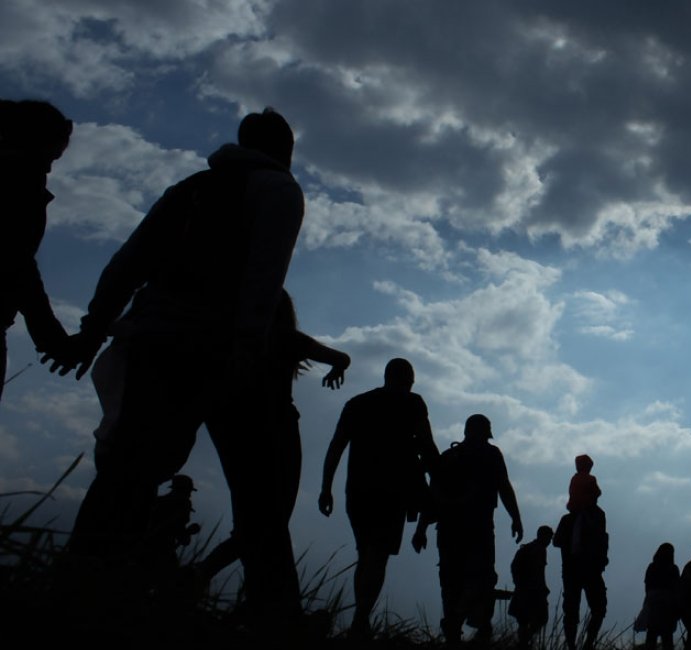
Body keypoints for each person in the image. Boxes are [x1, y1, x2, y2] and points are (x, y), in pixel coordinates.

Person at [52, 108, 304, 630]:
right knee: (259, 494)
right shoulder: (278, 189)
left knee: (129, 472)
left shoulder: (190, 188)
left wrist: (94, 329)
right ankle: (274, 618)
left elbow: (129, 262)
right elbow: (264, 275)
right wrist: (246, 347)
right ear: (286, 149)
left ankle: (78, 592)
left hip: (154, 340)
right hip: (220, 351)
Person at [196, 290, 348, 582]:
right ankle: (203, 575)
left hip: (235, 430)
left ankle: (203, 575)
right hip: (279, 430)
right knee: (274, 519)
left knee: (249, 518)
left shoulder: (233, 337)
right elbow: (342, 357)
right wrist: (336, 369)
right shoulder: (287, 338)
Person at [320, 357, 439, 638]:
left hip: (357, 490)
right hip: (392, 492)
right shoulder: (413, 403)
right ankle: (361, 619)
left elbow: (336, 446)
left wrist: (326, 487)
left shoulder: (357, 404)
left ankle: (360, 619)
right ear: (409, 381)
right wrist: (439, 480)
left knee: (367, 553)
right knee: (377, 556)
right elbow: (427, 444)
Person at [412, 413, 524, 644]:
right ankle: (471, 626)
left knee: (451, 580)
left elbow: (433, 496)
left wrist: (421, 530)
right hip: (478, 529)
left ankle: (456, 627)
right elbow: (503, 486)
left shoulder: (449, 456)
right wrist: (515, 518)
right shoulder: (491, 454)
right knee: (479, 579)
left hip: (450, 529)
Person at [1, 99, 73, 403]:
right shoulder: (18, 181)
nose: (49, 167)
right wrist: (51, 338)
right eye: (51, 156)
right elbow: (16, 263)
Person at [553, 502, 608, 650]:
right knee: (575, 610)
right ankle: (578, 645)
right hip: (578, 571)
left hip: (585, 571)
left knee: (595, 608)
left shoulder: (596, 517)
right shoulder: (571, 519)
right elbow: (557, 541)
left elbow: (602, 542)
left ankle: (585, 644)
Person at [509, 525, 555, 647]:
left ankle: (523, 643)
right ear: (542, 536)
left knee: (525, 621)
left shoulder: (531, 548)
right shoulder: (537, 549)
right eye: (548, 538)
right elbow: (536, 572)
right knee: (538, 618)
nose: (549, 542)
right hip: (531, 591)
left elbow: (515, 567)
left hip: (526, 590)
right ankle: (523, 643)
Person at [641, 542, 680, 650]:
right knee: (667, 637)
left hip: (654, 603)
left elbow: (647, 587)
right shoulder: (673, 568)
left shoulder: (652, 566)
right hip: (668, 606)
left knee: (652, 634)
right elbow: (677, 589)